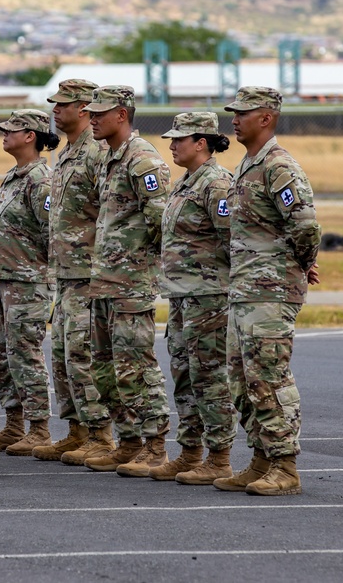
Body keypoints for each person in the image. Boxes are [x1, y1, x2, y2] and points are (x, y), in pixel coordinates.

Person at [213, 86, 321, 496]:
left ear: (267, 118)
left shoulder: (278, 166)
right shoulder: (247, 165)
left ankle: (284, 466)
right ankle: (259, 459)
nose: (235, 119)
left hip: (270, 292)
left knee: (269, 376)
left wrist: (300, 262)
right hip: (244, 290)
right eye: (233, 113)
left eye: (243, 113)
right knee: (241, 380)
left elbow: (306, 225)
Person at [78, 85, 173, 476]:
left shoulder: (143, 160)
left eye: (100, 112)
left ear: (122, 114)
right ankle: (128, 441)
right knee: (104, 368)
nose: (93, 119)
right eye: (91, 112)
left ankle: (155, 445)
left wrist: (138, 265)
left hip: (130, 284)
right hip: (104, 282)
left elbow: (160, 223)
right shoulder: (109, 159)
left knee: (136, 366)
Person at [150, 112, 238, 484]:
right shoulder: (187, 183)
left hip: (209, 299)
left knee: (210, 377)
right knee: (184, 374)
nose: (171, 145)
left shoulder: (216, 184)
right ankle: (190, 452)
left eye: (179, 139)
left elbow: (234, 239)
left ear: (201, 142)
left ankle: (218, 457)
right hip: (184, 297)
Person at [31, 79, 113, 464]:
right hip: (65, 273)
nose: (55, 110)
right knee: (63, 354)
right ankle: (77, 430)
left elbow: (111, 212)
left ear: (84, 109)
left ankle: (100, 433)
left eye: (63, 105)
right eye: (55, 104)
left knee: (83, 354)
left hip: (89, 272)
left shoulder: (97, 154)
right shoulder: (66, 154)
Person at [0, 109, 60, 455]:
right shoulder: (15, 175)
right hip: (6, 278)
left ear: (31, 136)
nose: (5, 135)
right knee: (2, 353)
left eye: (13, 130)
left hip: (28, 281)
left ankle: (38, 428)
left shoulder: (41, 179)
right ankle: (14, 424)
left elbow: (51, 233)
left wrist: (41, 274)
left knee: (25, 353)